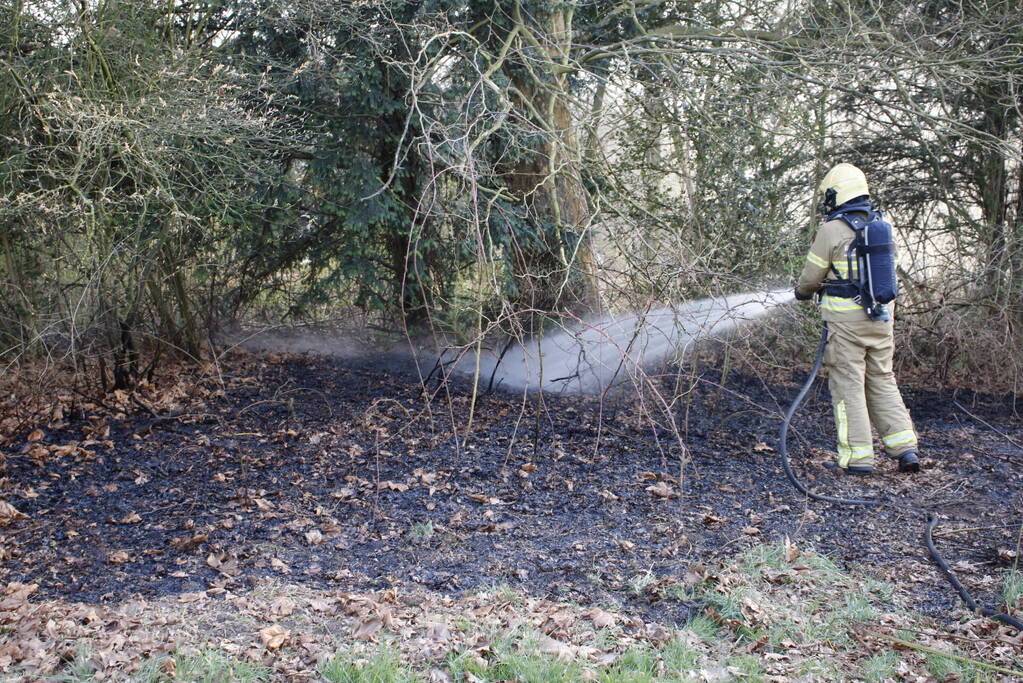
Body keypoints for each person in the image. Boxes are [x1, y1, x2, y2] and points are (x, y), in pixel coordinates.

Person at [794, 163, 920, 475]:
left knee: (848, 386)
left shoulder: (832, 229)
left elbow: (811, 278)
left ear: (837, 194)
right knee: (882, 378)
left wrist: (801, 293)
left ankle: (858, 459)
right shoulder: (879, 225)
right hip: (881, 318)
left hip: (846, 323)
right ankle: (905, 448)